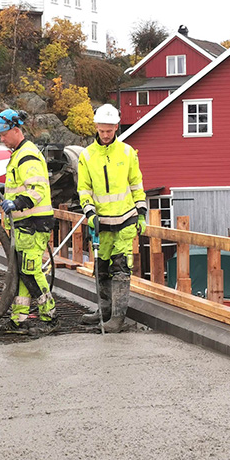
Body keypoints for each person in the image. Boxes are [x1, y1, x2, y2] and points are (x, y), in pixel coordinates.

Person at [78, 104, 147, 332]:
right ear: (96, 127)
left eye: (109, 130)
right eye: (102, 130)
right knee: (101, 267)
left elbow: (136, 184)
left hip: (125, 219)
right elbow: (84, 189)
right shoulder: (87, 156)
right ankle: (104, 310)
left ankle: (117, 318)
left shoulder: (127, 153)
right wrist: (89, 212)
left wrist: (142, 212)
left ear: (116, 127)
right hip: (101, 222)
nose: (105, 135)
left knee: (120, 268)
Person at [0, 108, 58, 336]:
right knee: (22, 272)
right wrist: (8, 193)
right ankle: (19, 318)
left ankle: (50, 316)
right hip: (23, 226)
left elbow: (37, 189)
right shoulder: (18, 154)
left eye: (3, 134)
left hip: (33, 224)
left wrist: (16, 203)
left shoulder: (27, 156)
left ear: (16, 130)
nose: (1, 139)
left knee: (31, 272)